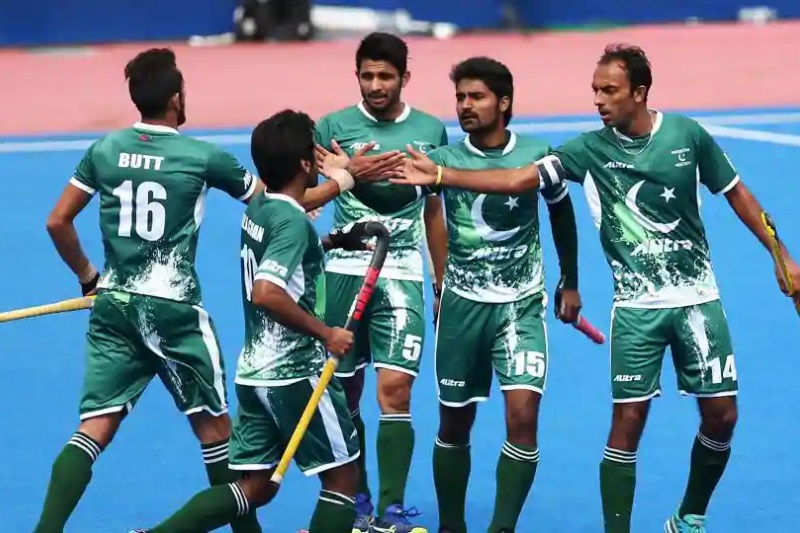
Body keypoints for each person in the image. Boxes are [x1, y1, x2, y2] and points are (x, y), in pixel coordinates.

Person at [393, 43, 800, 533]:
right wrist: (440, 174)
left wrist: (781, 255)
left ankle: (689, 515)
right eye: (595, 90)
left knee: (723, 417)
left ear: (640, 92)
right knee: (626, 425)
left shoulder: (687, 136)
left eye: (609, 90)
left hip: (698, 302)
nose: (598, 100)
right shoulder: (586, 150)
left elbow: (738, 194)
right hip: (636, 312)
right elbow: (522, 180)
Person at [38, 47, 264, 533]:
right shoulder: (203, 156)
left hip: (115, 305)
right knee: (216, 431)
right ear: (177, 98)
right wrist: (340, 181)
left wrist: (89, 278)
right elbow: (272, 200)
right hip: (173, 311)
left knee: (93, 429)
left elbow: (57, 221)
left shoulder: (105, 149)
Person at [133, 109, 381, 533]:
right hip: (295, 373)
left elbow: (284, 249)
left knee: (257, 487)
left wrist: (333, 241)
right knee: (342, 479)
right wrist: (327, 333)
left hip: (253, 374)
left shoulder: (261, 207)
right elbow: (267, 291)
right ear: (305, 164)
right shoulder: (292, 222)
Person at [423, 57, 581, 533]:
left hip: (520, 307)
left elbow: (561, 212)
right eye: (460, 97)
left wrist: (570, 280)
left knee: (523, 417)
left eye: (476, 97)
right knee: (454, 425)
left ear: (504, 102)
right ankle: (451, 526)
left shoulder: (536, 154)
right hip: (462, 308)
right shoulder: (442, 159)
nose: (465, 106)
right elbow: (426, 213)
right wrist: (440, 283)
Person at [313, 31, 449, 532]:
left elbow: (434, 212)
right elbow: (304, 199)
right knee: (344, 397)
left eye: (385, 76)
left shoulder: (430, 130)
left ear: (404, 78)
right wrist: (346, 172)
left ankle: (391, 513)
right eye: (367, 75)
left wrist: (441, 282)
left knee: (396, 392)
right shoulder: (331, 127)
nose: (375, 85)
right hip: (342, 277)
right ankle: (357, 502)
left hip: (402, 273)